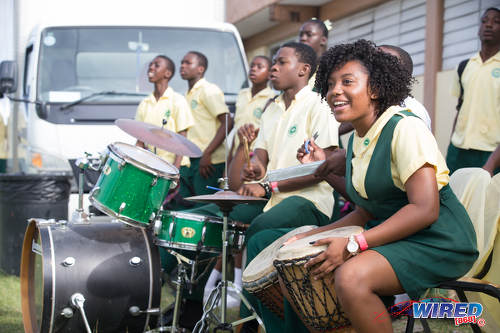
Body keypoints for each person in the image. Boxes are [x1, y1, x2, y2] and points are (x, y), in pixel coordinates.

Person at [249, 39, 478, 333]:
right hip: (395, 235)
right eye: (330, 84)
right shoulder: (359, 137)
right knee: (306, 261)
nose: (335, 92)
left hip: (438, 241)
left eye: (347, 82)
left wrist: (355, 244)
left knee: (351, 277)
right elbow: (367, 211)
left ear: (376, 88)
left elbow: (425, 209)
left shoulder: (404, 128)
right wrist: (313, 236)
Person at [237, 41, 340, 332]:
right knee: (221, 217)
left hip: (309, 202)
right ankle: (197, 300)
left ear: (304, 70)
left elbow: (325, 165)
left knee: (259, 228)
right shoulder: (271, 109)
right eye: (274, 62)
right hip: (274, 199)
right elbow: (261, 156)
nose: (274, 67)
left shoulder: (319, 104)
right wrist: (255, 167)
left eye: (282, 62)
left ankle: (251, 322)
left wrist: (270, 186)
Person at [202, 55, 274, 306]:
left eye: (260, 66)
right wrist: (233, 157)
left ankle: (237, 285)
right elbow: (236, 133)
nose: (254, 70)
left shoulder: (272, 99)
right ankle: (220, 283)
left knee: (240, 223)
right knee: (226, 214)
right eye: (252, 66)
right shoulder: (243, 94)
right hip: (238, 152)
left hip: (256, 154)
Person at [176, 51, 233, 207]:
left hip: (209, 160)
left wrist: (207, 153)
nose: (182, 65)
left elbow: (228, 121)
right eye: (182, 62)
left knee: (204, 207)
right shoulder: (187, 94)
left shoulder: (208, 90)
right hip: (192, 159)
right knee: (186, 205)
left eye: (188, 63)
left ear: (200, 69)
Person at [446, 7, 500, 175]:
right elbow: (460, 108)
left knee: (486, 201)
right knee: (453, 199)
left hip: (490, 152)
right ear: (478, 29)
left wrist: (490, 165)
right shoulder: (464, 66)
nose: (489, 25)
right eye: (484, 21)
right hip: (458, 150)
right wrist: (452, 144)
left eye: (496, 21)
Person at [135, 55, 194, 169]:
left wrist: (175, 170)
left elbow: (182, 138)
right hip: (151, 165)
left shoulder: (178, 100)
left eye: (156, 65)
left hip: (175, 166)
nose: (151, 68)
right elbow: (140, 140)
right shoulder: (145, 103)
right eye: (150, 65)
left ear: (167, 74)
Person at [298, 18, 329, 90]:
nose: (303, 38)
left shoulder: (331, 68)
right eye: (301, 35)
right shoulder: (297, 68)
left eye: (309, 35)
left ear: (323, 40)